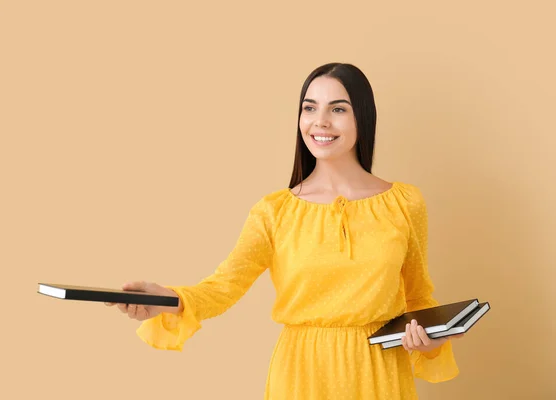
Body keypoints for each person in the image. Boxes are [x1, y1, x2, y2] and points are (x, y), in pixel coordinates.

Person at [105, 62, 464, 399]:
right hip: (300, 374)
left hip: (378, 372)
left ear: (363, 118)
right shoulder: (275, 211)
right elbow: (222, 288)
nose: (319, 122)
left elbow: (419, 298)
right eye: (309, 108)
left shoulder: (403, 202)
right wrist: (166, 298)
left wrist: (429, 338)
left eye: (337, 109)